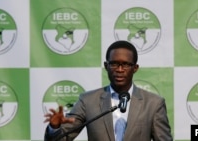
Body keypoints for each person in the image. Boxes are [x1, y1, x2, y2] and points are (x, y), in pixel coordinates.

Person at [44, 40, 173, 141]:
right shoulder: (88, 101)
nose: (120, 69)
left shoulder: (153, 104)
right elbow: (61, 139)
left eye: (126, 64)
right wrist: (54, 127)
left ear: (135, 68)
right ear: (106, 66)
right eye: (114, 64)